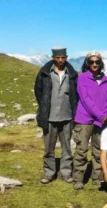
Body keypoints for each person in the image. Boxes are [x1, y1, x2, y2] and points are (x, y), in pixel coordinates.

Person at [34, 46, 79, 184]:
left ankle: (66, 173)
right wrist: (44, 107)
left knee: (67, 148)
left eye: (63, 57)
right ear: (53, 58)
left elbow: (76, 94)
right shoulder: (44, 73)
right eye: (57, 58)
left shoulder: (71, 74)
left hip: (67, 116)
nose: (60, 60)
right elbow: (38, 91)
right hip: (49, 116)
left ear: (66, 57)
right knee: (49, 148)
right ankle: (49, 173)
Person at [73, 52, 107, 190]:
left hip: (101, 120)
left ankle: (97, 176)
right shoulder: (83, 78)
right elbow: (85, 99)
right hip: (85, 119)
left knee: (98, 149)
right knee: (81, 149)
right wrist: (100, 115)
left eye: (97, 62)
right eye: (91, 62)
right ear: (87, 63)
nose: (94, 64)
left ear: (100, 63)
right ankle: (78, 178)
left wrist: (105, 115)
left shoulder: (106, 80)